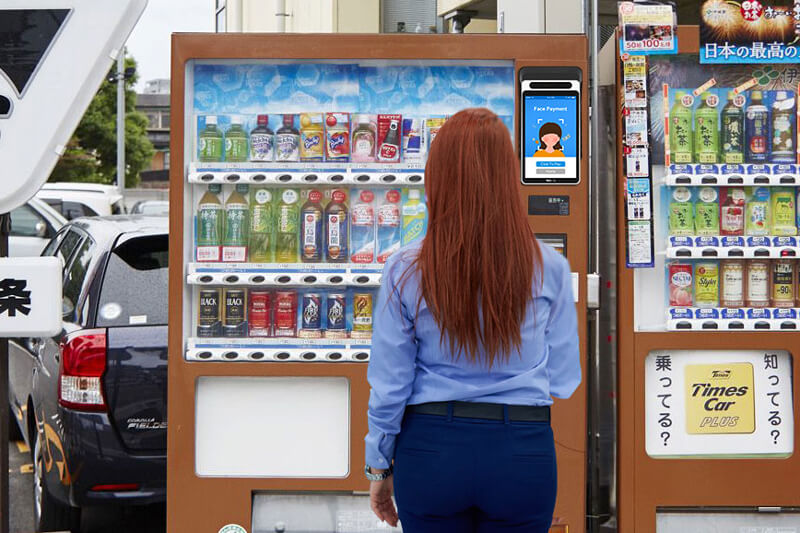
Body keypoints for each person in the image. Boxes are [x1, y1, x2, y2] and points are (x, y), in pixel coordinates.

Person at [364, 107, 581, 532]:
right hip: (522, 452)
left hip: (430, 451)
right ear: (507, 177)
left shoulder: (406, 268)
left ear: (437, 177)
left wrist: (378, 467)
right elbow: (564, 379)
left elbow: (390, 385)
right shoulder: (550, 267)